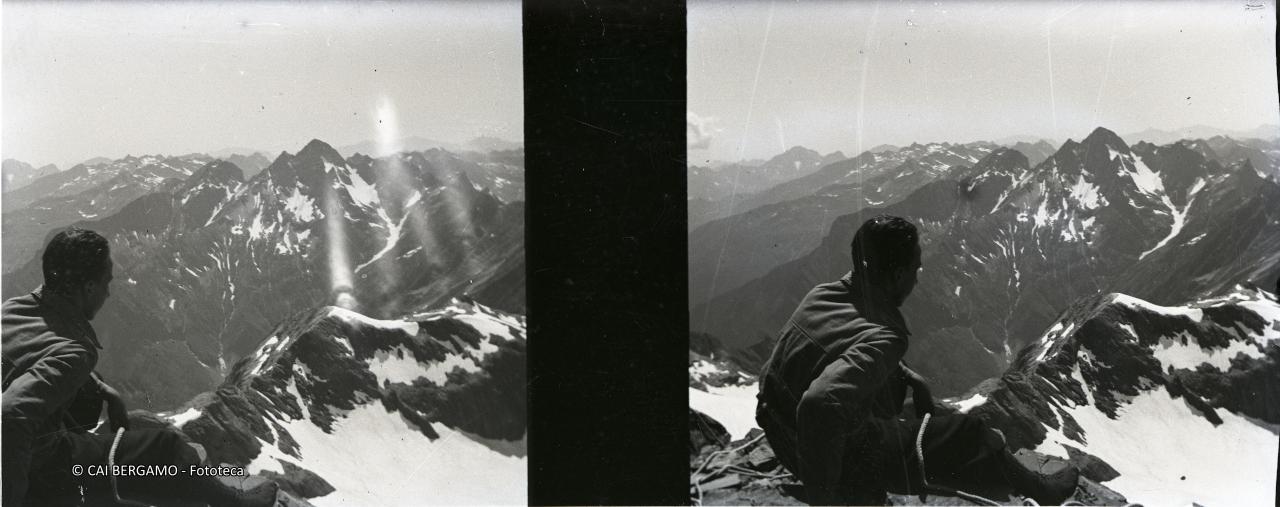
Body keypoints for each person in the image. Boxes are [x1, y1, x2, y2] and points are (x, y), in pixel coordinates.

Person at [755, 215, 1078, 505]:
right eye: (915, 268)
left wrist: (907, 375)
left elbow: (804, 357)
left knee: (904, 404)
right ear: (897, 274)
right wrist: (824, 498)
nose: (917, 278)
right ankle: (1040, 490)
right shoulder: (884, 336)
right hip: (834, 454)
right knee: (968, 431)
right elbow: (819, 402)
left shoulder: (823, 294)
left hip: (779, 429)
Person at [2, 228, 277, 507]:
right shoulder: (73, 350)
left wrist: (102, 390)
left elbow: (29, 368)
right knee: (165, 449)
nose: (108, 293)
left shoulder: (11, 310)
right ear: (88, 287)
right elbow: (11, 413)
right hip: (37, 466)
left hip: (24, 448)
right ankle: (237, 504)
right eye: (105, 282)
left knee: (87, 391)